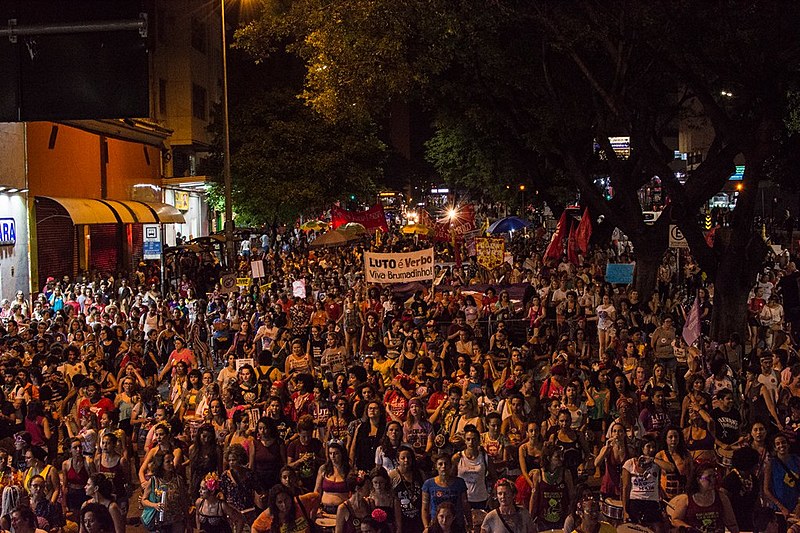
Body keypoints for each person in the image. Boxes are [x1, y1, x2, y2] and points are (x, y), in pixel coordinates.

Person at [668, 465, 740, 533]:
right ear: (698, 479)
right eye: (708, 477)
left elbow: (731, 523)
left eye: (714, 476)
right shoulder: (686, 499)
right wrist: (689, 529)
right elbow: (675, 520)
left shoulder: (722, 498)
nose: (713, 480)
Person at [621, 437, 665, 533]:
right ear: (642, 448)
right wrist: (625, 510)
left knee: (658, 529)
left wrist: (653, 459)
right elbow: (625, 487)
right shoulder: (629, 463)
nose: (651, 450)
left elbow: (670, 468)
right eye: (648, 447)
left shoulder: (656, 463)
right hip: (635, 500)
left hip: (652, 501)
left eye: (653, 447)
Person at [421, 454, 471, 532]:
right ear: (436, 466)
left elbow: (465, 504)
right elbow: (425, 508)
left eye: (446, 464)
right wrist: (426, 527)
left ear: (450, 466)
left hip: (457, 524)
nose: (443, 466)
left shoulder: (459, 482)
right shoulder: (429, 484)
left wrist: (470, 524)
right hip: (436, 525)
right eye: (440, 464)